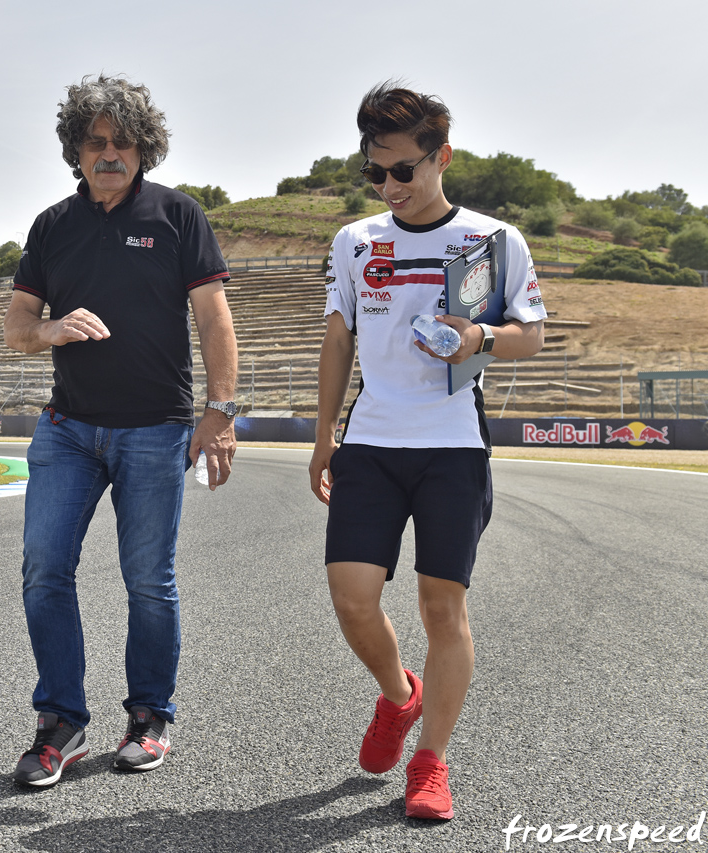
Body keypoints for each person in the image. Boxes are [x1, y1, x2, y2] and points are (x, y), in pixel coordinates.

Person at [308, 82, 547, 820]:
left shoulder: (493, 240)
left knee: (443, 607)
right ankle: (398, 695)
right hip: (371, 442)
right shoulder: (354, 241)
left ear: (442, 157)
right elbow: (339, 338)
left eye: (403, 170)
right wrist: (323, 435)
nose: (389, 186)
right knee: (352, 599)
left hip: (453, 445)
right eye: (374, 173)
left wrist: (478, 337)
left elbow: (531, 335)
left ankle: (431, 761)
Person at [3, 74, 239, 787]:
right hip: (69, 429)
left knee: (148, 581)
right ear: (76, 149)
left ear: (145, 148)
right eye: (96, 141)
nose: (110, 153)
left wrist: (221, 411)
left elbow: (215, 319)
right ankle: (60, 723)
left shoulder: (177, 215)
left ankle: (148, 717)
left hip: (155, 430)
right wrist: (50, 328)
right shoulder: (52, 225)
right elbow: (17, 329)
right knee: (45, 570)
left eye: (123, 142)